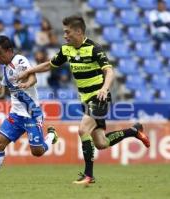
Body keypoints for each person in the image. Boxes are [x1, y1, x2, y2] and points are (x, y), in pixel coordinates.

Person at [18, 16, 150, 185]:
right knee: (102, 143)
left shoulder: (94, 48)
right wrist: (28, 71)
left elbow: (109, 71)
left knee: (82, 130)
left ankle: (89, 176)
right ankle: (134, 130)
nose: (65, 35)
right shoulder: (67, 49)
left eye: (67, 32)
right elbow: (49, 64)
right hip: (85, 100)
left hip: (99, 97)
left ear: (79, 31)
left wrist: (104, 88)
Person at [0, 35, 58, 184]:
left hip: (31, 113)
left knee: (37, 152)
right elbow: (2, 89)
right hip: (16, 115)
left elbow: (33, 78)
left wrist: (27, 84)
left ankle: (51, 136)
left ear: (9, 51)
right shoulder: (6, 70)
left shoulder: (20, 60)